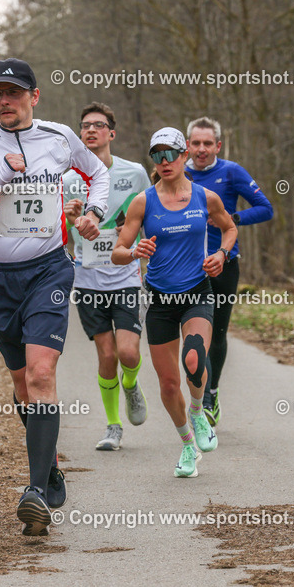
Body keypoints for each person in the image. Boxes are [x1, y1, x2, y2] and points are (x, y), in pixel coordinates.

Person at [0, 58, 110, 536]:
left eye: (14, 92)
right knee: (20, 383)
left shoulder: (58, 137)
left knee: (40, 372)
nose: (4, 101)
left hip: (48, 269)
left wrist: (94, 211)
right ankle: (48, 465)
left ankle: (35, 492)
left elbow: (99, 174)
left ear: (35, 97)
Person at [111, 127, 237, 477]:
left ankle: (198, 411)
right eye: (157, 155)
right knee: (168, 385)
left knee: (194, 359)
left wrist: (222, 255)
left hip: (197, 293)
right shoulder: (143, 201)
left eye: (171, 154)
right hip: (160, 301)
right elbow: (117, 252)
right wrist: (135, 251)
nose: (164, 162)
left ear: (184, 157)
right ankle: (186, 446)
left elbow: (230, 228)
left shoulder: (205, 197)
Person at [63, 102, 151, 451]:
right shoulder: (68, 179)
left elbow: (149, 214)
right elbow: (60, 231)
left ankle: (131, 384)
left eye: (99, 125)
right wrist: (70, 217)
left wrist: (147, 251)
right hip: (87, 279)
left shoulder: (136, 173)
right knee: (107, 354)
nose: (91, 130)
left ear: (111, 134)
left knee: (128, 353)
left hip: (126, 275)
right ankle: (113, 425)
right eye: (85, 125)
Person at [185, 117, 273, 426]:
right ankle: (204, 394)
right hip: (187, 267)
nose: (201, 149)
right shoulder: (175, 173)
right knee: (196, 336)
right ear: (187, 146)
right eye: (196, 143)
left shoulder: (231, 172)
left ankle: (211, 392)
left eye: (208, 143)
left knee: (217, 332)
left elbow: (265, 208)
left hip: (225, 263)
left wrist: (231, 217)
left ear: (218, 146)